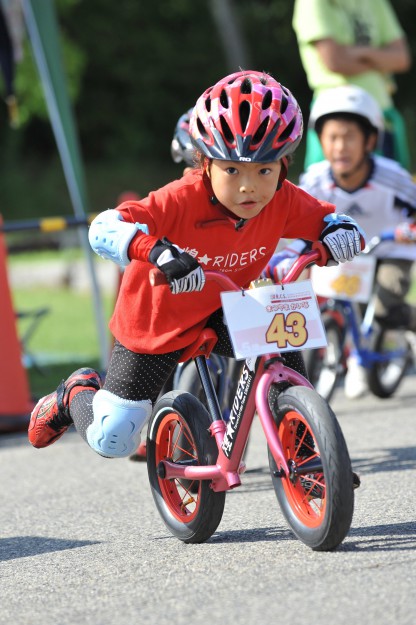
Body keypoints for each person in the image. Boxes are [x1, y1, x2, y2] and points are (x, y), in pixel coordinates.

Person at [28, 69, 364, 458]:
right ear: (204, 161)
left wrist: (341, 233)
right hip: (156, 325)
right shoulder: (179, 198)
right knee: (113, 438)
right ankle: (76, 393)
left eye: (265, 170)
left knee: (281, 341)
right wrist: (156, 251)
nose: (248, 187)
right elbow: (104, 227)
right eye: (232, 169)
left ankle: (310, 458)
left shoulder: (283, 199)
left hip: (224, 309)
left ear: (284, 164)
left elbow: (332, 220)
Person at [265, 84, 416, 400]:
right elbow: (296, 221)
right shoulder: (316, 179)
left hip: (388, 249)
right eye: (332, 138)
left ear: (370, 141)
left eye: (349, 137)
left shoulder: (392, 177)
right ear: (321, 142)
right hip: (340, 252)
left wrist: (407, 231)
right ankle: (333, 353)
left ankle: (401, 326)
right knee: (306, 291)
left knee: (387, 301)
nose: (340, 147)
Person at [292, 0, 412, 169]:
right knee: (328, 191)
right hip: (336, 117)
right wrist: (380, 61)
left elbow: (401, 59)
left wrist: (360, 52)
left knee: (391, 188)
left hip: (383, 115)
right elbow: (336, 61)